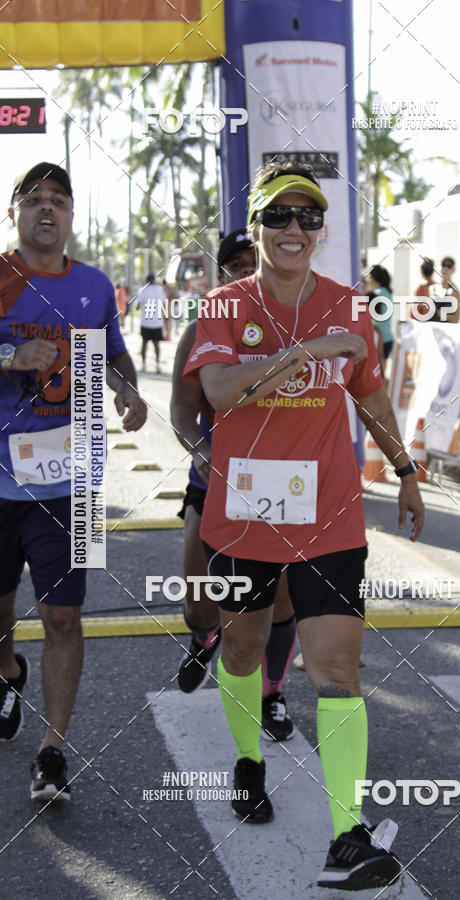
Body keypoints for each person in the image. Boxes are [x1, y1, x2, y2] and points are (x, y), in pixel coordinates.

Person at [184, 161, 425, 891]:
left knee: (338, 672)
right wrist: (302, 353)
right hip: (246, 511)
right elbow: (221, 391)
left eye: (308, 217)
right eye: (279, 216)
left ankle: (347, 836)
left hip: (329, 516)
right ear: (256, 226)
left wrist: (407, 471)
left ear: (320, 231)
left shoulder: (352, 308)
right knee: (242, 652)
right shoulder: (225, 307)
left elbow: (373, 399)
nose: (294, 229)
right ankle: (249, 762)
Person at [0, 162, 147, 801]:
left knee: (64, 616)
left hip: (74, 478)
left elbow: (111, 348)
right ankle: (8, 669)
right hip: (0, 480)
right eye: (34, 200)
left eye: (59, 199)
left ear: (70, 216)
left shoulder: (93, 285)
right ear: (15, 215)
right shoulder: (2, 277)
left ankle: (52, 752)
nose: (47, 209)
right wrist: (10, 355)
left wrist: (129, 390)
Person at [170, 228, 297, 741]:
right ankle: (205, 639)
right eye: (235, 265)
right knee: (202, 601)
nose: (246, 272)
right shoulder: (204, 323)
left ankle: (273, 693)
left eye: (253, 262)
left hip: (281, 485)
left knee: (282, 601)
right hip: (216, 480)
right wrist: (200, 450)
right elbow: (181, 409)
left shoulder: (293, 324)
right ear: (221, 274)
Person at [366, 264, 394, 365]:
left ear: (372, 278)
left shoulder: (375, 294)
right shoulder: (387, 292)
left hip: (378, 339)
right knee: (382, 375)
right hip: (388, 338)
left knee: (377, 376)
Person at [137, 272, 165, 373]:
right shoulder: (160, 290)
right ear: (154, 280)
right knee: (157, 344)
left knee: (144, 343)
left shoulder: (142, 290)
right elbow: (164, 305)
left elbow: (137, 306)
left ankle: (144, 365)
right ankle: (157, 365)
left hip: (146, 322)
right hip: (157, 322)